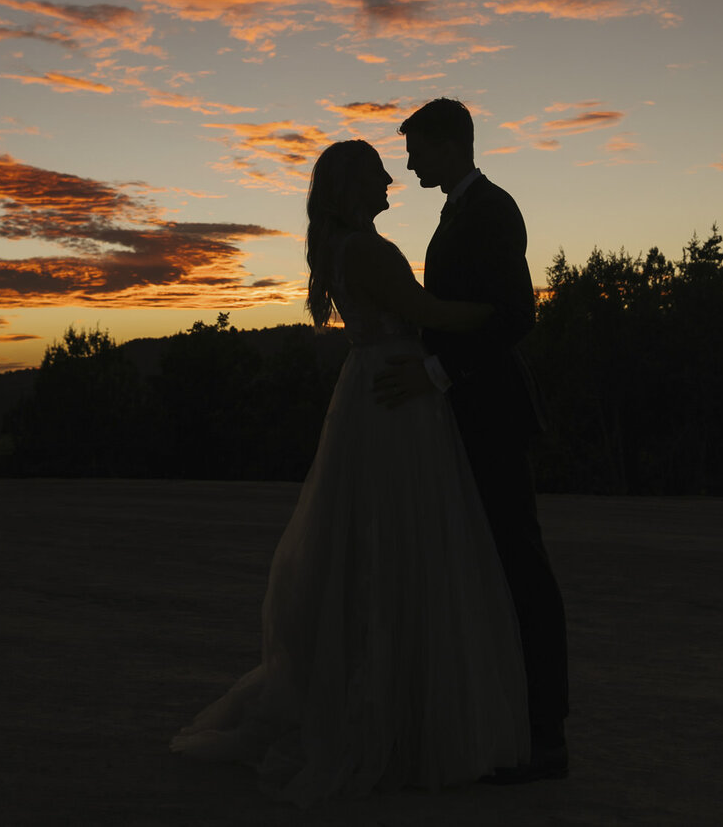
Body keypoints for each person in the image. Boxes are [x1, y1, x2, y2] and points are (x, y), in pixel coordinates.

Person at [169, 138, 530, 807]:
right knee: (397, 547)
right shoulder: (365, 249)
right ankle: (393, 723)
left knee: (373, 545)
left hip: (374, 390)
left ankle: (394, 707)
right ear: (352, 187)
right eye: (376, 172)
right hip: (395, 402)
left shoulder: (346, 248)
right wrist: (504, 317)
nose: (392, 177)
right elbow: (428, 315)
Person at [372, 97, 569, 784]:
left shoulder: (491, 210)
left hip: (491, 412)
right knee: (489, 566)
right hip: (465, 414)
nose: (408, 162)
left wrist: (436, 372)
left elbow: (516, 316)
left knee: (519, 565)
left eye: (416, 149)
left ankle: (547, 735)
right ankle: (509, 722)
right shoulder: (461, 210)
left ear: (449, 145)